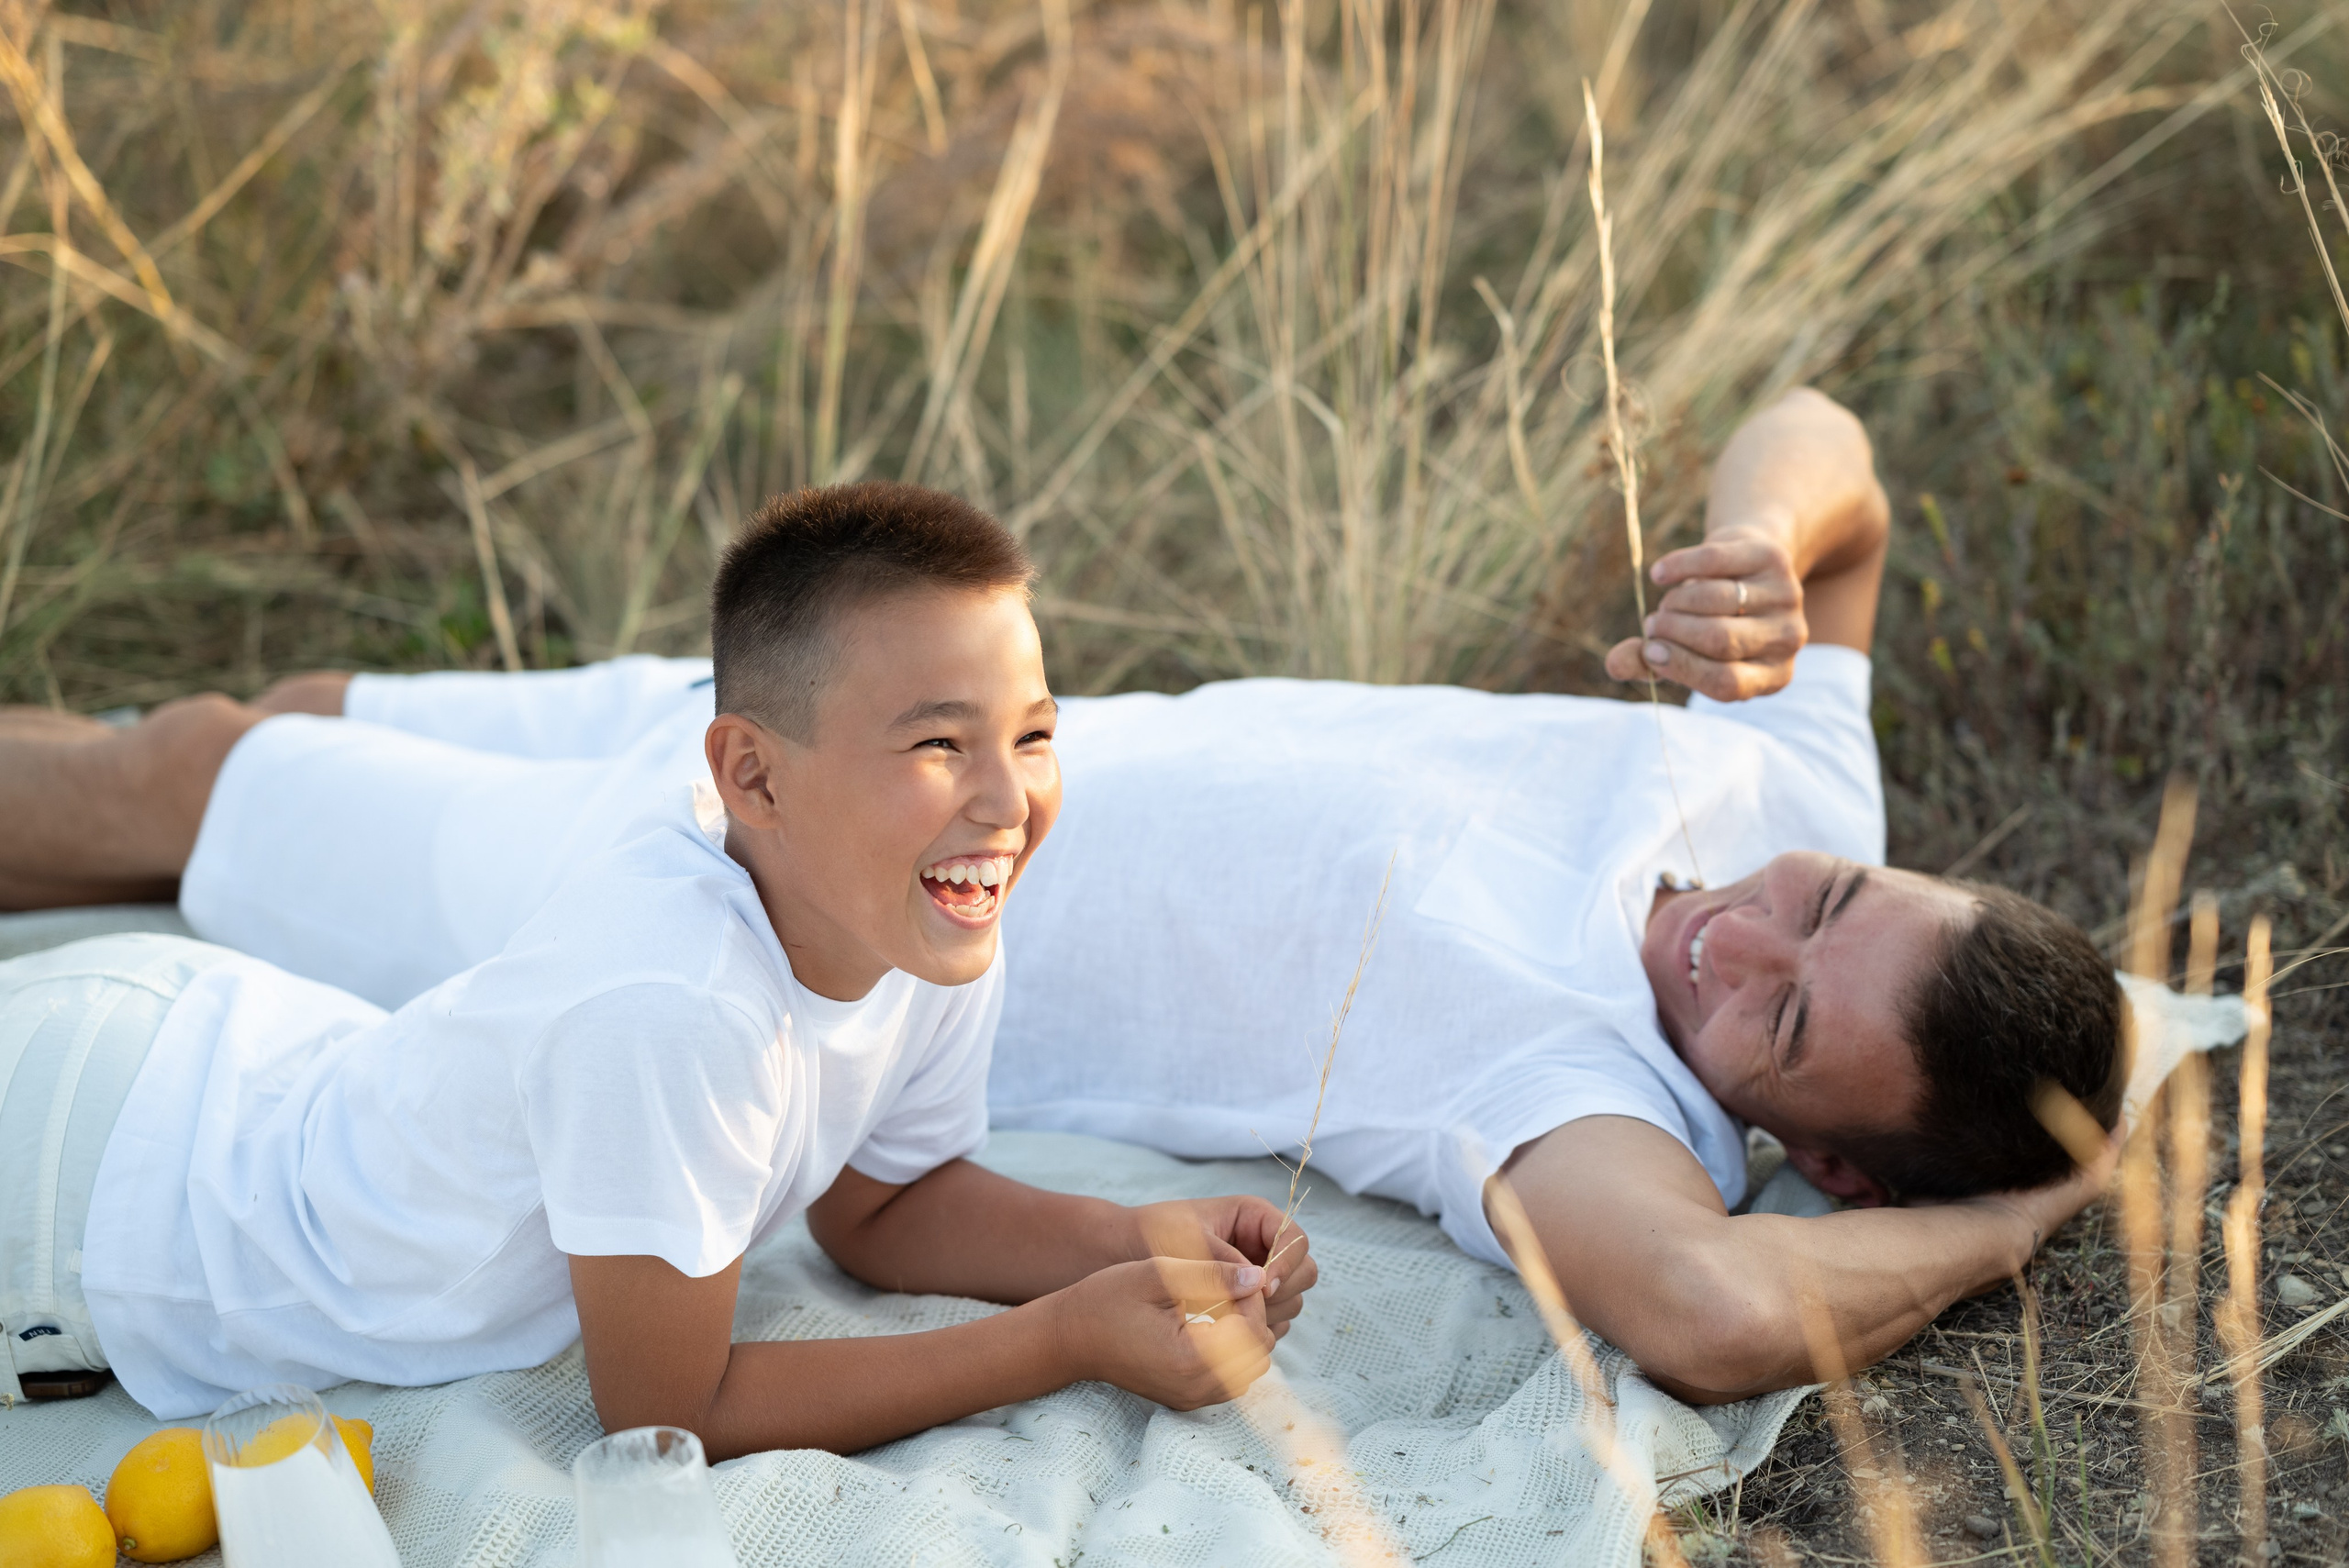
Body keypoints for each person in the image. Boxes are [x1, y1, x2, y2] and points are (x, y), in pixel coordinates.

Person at [0, 390, 2121, 1407]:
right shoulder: (1776, 768)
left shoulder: (1580, 1102)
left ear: (1809, 1154)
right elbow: (1827, 455)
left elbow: (1716, 1315)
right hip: (864, 724)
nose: (1729, 936)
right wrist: (1762, 523)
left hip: (819, 908)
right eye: (1819, 897)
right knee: (236, 724)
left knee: (192, 788)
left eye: (1764, 1022)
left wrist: (2023, 1214)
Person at [0, 485, 1318, 1447]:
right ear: (751, 771)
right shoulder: (676, 1004)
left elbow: (883, 1205)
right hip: (86, 1188)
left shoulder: (919, 910)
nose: (1008, 803)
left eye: (1032, 735)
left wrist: (1144, 1245)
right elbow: (670, 1409)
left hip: (220, 1052)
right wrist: (1061, 1336)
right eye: (937, 746)